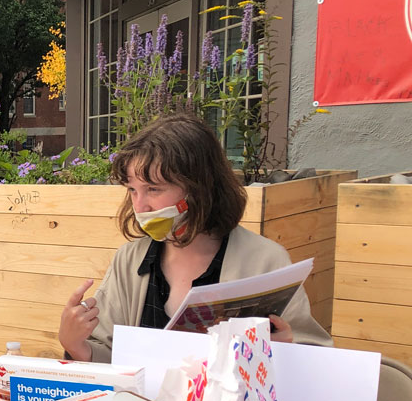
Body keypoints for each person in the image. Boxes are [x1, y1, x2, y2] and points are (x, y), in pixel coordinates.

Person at [58, 114, 332, 362]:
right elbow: (110, 357)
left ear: (198, 189)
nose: (140, 206)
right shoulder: (130, 260)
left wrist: (284, 351)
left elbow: (316, 356)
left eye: (153, 189)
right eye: (132, 190)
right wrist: (75, 344)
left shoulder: (265, 260)